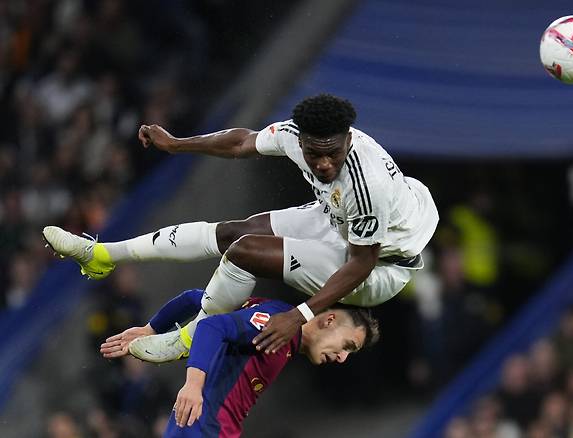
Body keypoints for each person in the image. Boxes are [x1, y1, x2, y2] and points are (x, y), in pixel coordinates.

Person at [43, 93, 438, 361]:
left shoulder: (365, 185)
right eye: (314, 154)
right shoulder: (292, 136)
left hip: (383, 263)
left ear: (348, 140)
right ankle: (101, 254)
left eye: (333, 154)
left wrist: (299, 315)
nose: (323, 165)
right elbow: (240, 143)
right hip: (341, 220)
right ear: (299, 140)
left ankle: (185, 340)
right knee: (233, 232)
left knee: (245, 252)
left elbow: (360, 263)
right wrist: (177, 144)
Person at [99, 288, 380, 437]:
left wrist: (151, 328)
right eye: (347, 346)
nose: (343, 358)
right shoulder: (279, 324)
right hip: (204, 430)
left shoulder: (277, 321)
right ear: (329, 320)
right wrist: (193, 385)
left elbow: (198, 299)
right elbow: (212, 327)